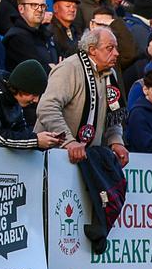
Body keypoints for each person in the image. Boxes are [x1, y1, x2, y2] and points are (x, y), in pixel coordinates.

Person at [35, 26, 129, 166]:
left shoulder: (110, 74)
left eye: (116, 48)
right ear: (92, 50)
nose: (116, 53)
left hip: (87, 156)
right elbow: (47, 108)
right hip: (53, 155)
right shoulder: (69, 68)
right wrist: (69, 141)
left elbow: (113, 114)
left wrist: (116, 141)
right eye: (109, 48)